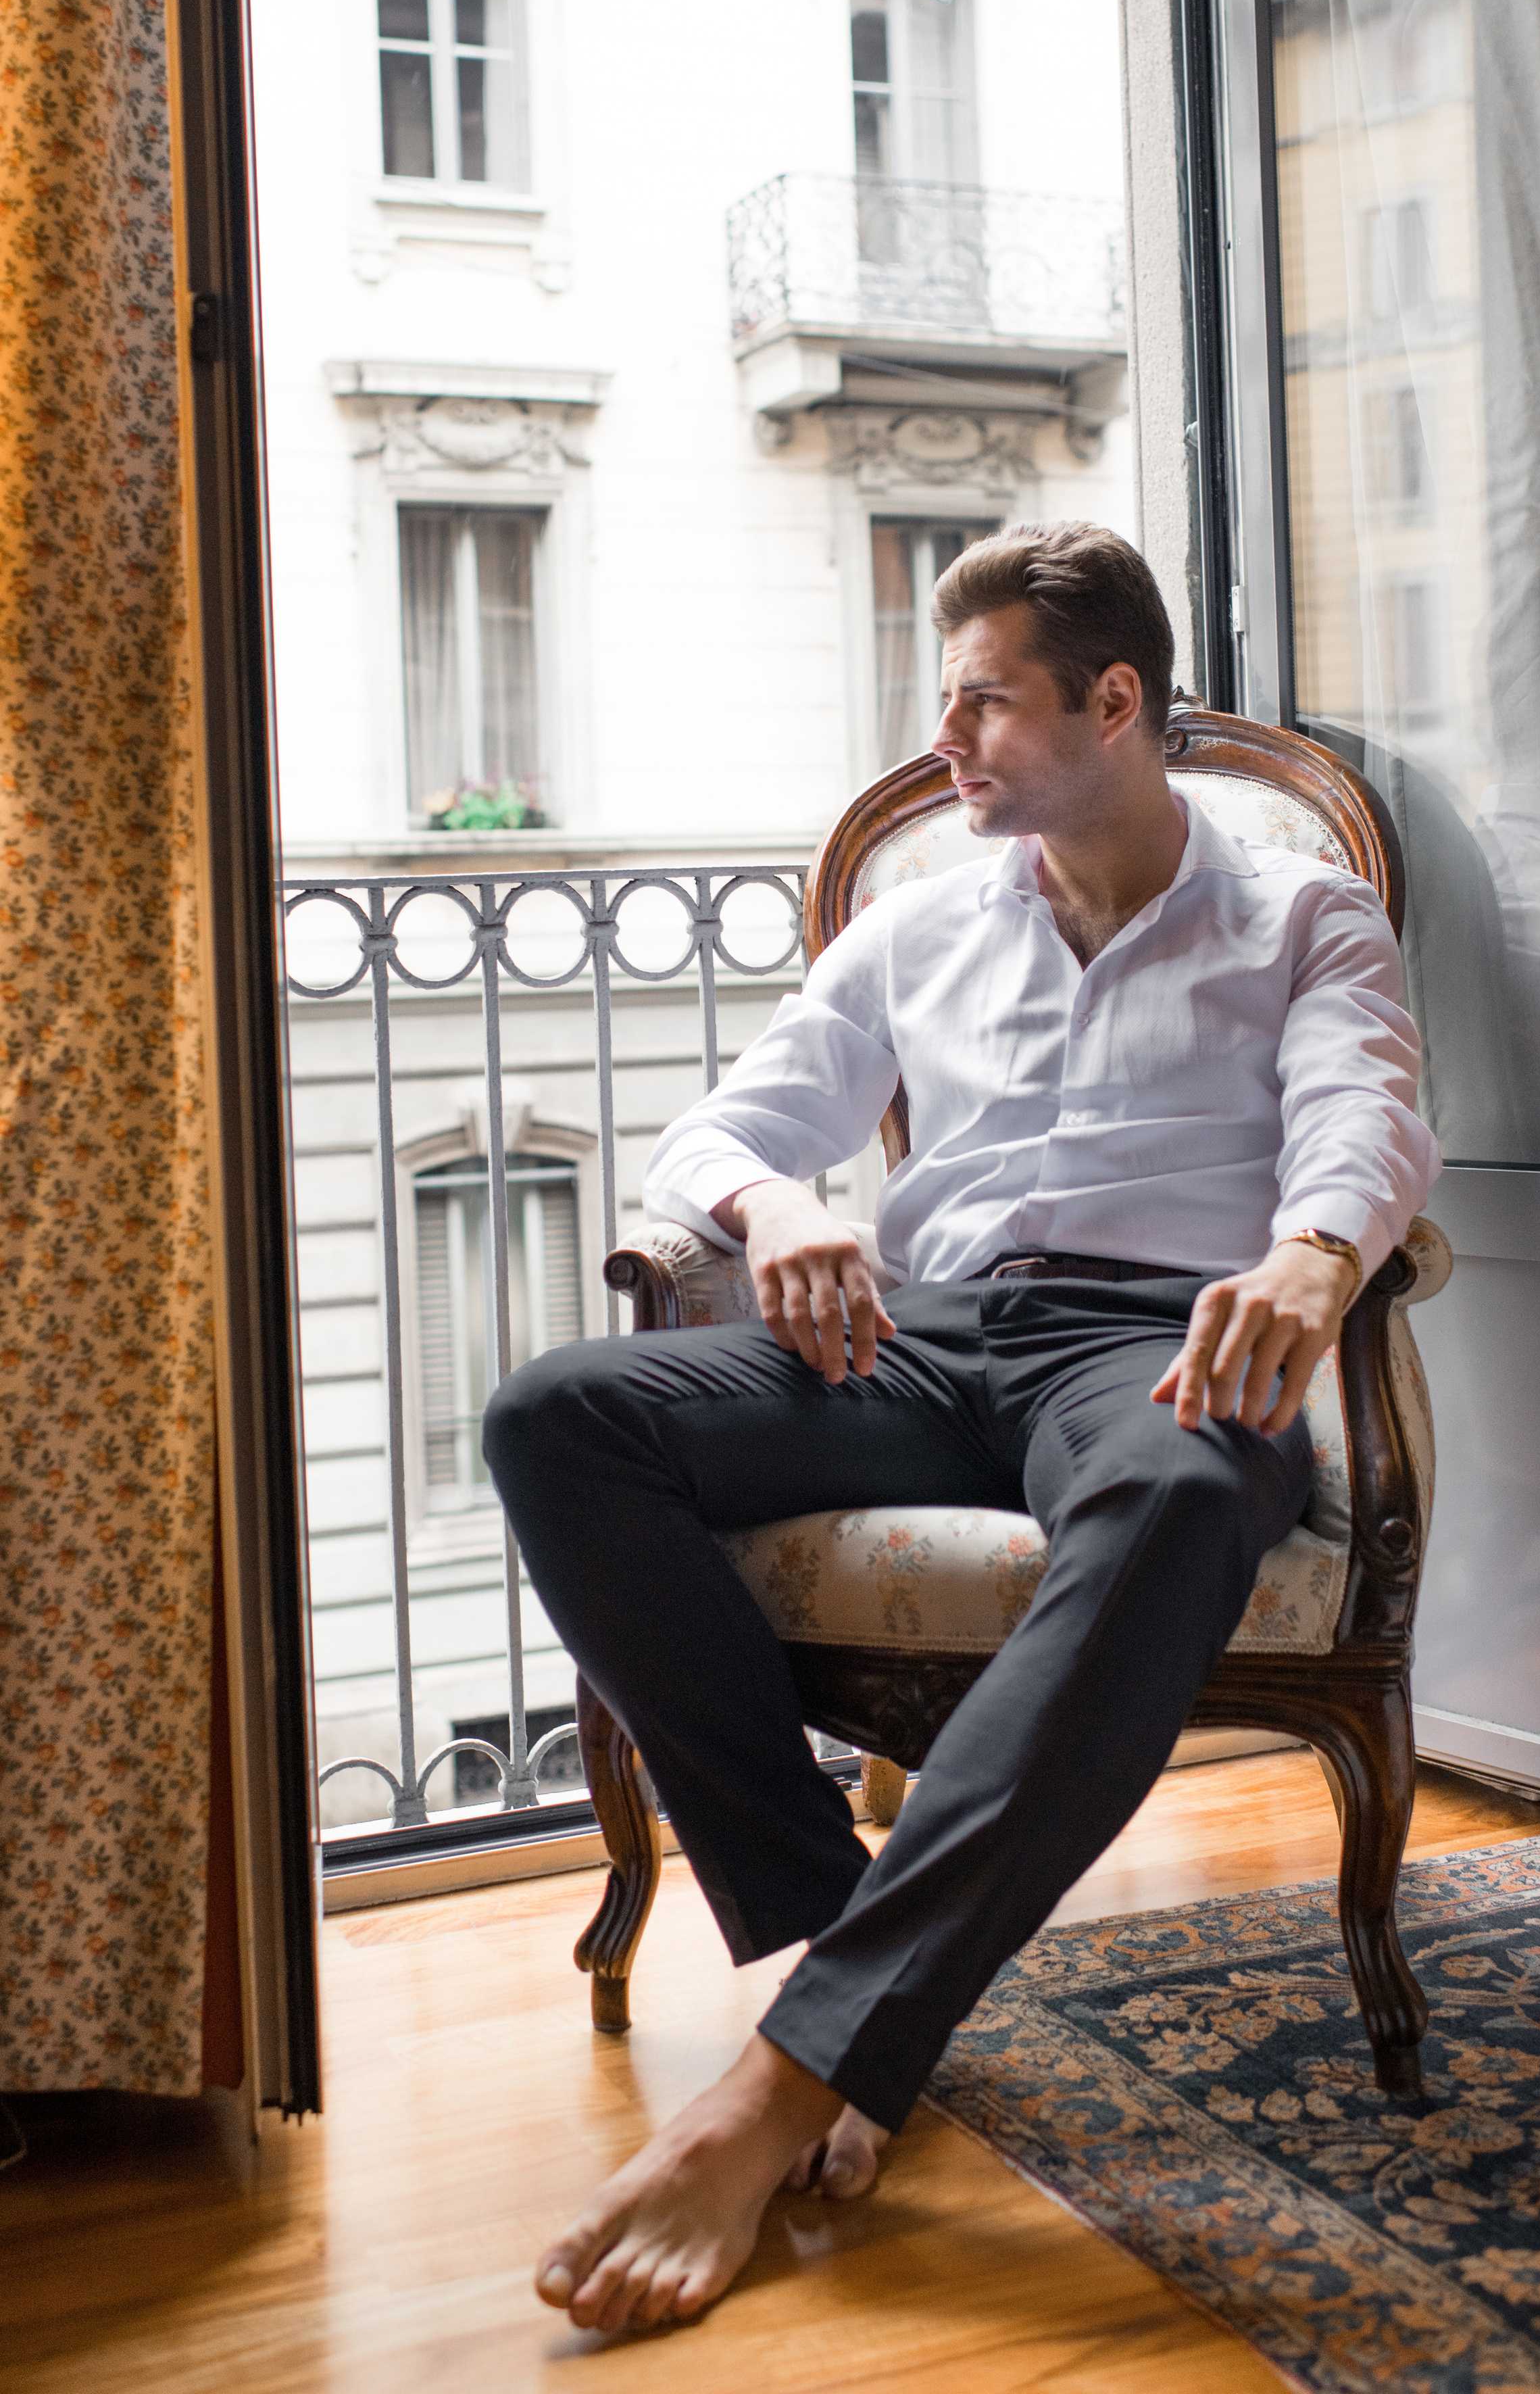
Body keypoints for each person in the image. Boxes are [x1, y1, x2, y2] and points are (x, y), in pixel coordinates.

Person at [483, 522, 1440, 2335]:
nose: (950, 742)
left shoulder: (1299, 914)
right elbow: (726, 1132)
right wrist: (780, 1214)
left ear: (1113, 700)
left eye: (986, 701)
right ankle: (828, 1959)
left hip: (1158, 1355)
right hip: (918, 1348)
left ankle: (784, 2085)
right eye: (941, 703)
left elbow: (1368, 1117)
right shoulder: (922, 926)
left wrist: (1316, 1261)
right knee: (562, 1420)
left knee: (1170, 1501)